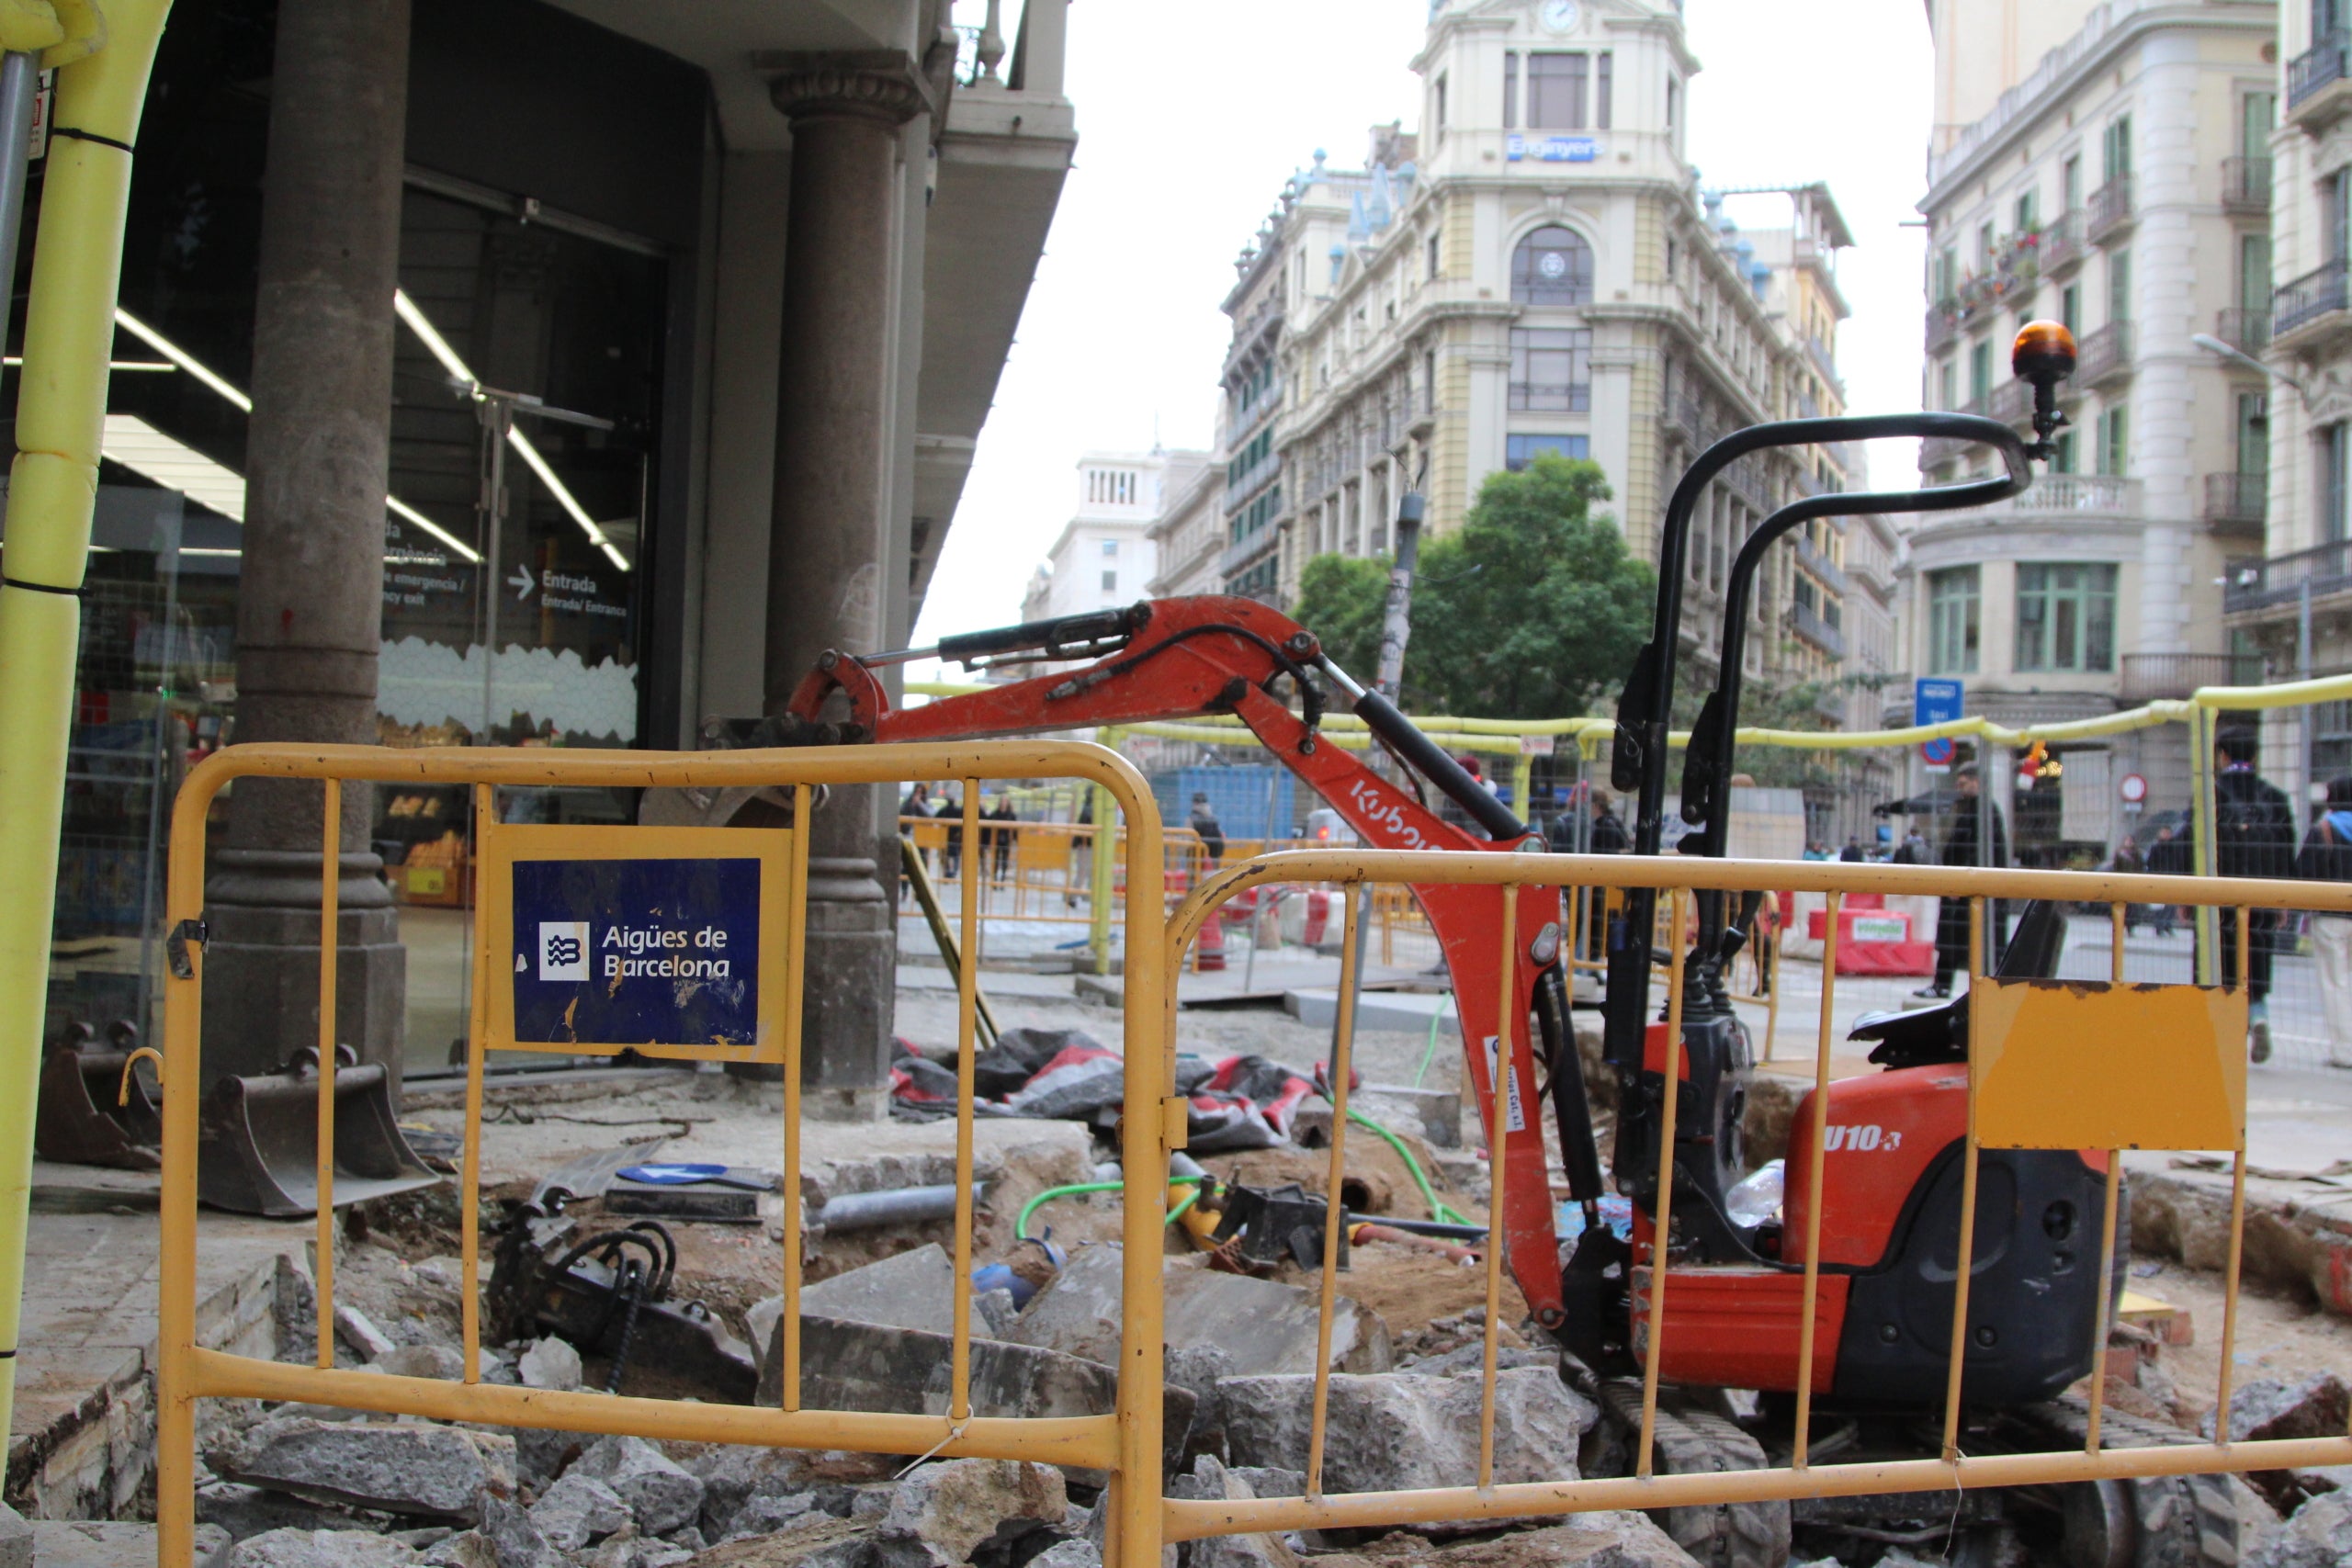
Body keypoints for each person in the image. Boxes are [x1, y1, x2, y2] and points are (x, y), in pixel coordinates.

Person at [2195, 728, 2298, 1062]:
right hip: (2263, 895)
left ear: (2221, 756)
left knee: (2218, 963)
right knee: (2256, 962)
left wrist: (2183, 896)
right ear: (2255, 756)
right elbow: (2287, 850)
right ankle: (2258, 1016)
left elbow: (2193, 844)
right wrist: (2284, 901)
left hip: (2217, 897)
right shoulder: (2275, 798)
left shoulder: (2211, 795)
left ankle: (2223, 1033)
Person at [1877, 762, 2007, 998]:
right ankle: (1962, 986)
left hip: (1970, 888)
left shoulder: (1982, 811)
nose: (1959, 787)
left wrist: (1964, 881)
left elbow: (1977, 850)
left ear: (1976, 782)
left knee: (1969, 940)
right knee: (1964, 941)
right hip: (1966, 887)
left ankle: (1965, 986)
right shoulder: (1977, 809)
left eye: (1963, 783)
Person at [2299, 779, 2352, 1069]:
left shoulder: (2324, 830)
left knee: (2336, 983)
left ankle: (2344, 1050)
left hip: (2331, 917)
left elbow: (2305, 871)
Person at [2147, 822, 2189, 936]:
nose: (2165, 835)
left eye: (2167, 833)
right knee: (2160, 906)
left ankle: (2167, 925)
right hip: (2159, 880)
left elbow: (2179, 863)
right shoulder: (2156, 848)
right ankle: (2159, 927)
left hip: (2172, 879)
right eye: (2163, 833)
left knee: (2171, 905)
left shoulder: (2174, 847)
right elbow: (2151, 864)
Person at [2109, 832, 2145, 932]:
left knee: (2132, 907)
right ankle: (2120, 926)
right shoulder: (2120, 853)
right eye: (2127, 840)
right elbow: (2116, 867)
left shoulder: (2137, 854)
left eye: (2130, 841)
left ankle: (2130, 926)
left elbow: (2140, 867)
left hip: (2132, 883)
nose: (2128, 843)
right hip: (2121, 882)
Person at [1189, 792, 1226, 872]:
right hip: (1215, 851)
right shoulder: (1212, 817)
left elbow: (1189, 837)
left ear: (1194, 802)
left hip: (1199, 851)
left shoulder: (1193, 817)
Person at [988, 794, 1017, 884]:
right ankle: (995, 879)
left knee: (1005, 859)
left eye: (1005, 801)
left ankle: (1002, 879)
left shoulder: (1011, 815)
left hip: (1007, 840)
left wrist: (1015, 840)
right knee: (996, 859)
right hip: (996, 839)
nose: (1004, 803)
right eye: (1002, 801)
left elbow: (1015, 828)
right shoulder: (995, 813)